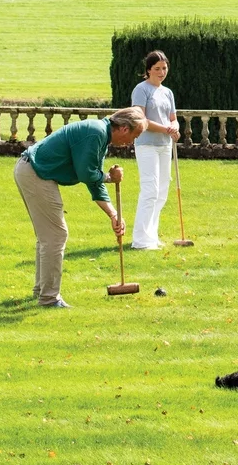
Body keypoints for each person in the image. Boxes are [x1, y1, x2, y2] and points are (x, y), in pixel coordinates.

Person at [13, 107, 147, 308]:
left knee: (48, 237)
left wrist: (113, 214)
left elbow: (94, 181)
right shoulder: (95, 133)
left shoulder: (100, 135)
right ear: (125, 129)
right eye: (135, 136)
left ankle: (41, 291)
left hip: (30, 170)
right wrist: (109, 177)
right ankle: (49, 299)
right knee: (55, 235)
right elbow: (86, 173)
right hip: (36, 174)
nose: (132, 143)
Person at [131, 49, 181, 250]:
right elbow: (140, 119)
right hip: (146, 144)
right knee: (150, 189)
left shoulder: (167, 92)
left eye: (164, 68)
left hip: (164, 145)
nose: (162, 72)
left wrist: (175, 128)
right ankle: (140, 240)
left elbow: (173, 118)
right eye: (157, 69)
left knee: (162, 191)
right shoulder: (141, 90)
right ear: (148, 70)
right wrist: (166, 129)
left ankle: (151, 235)